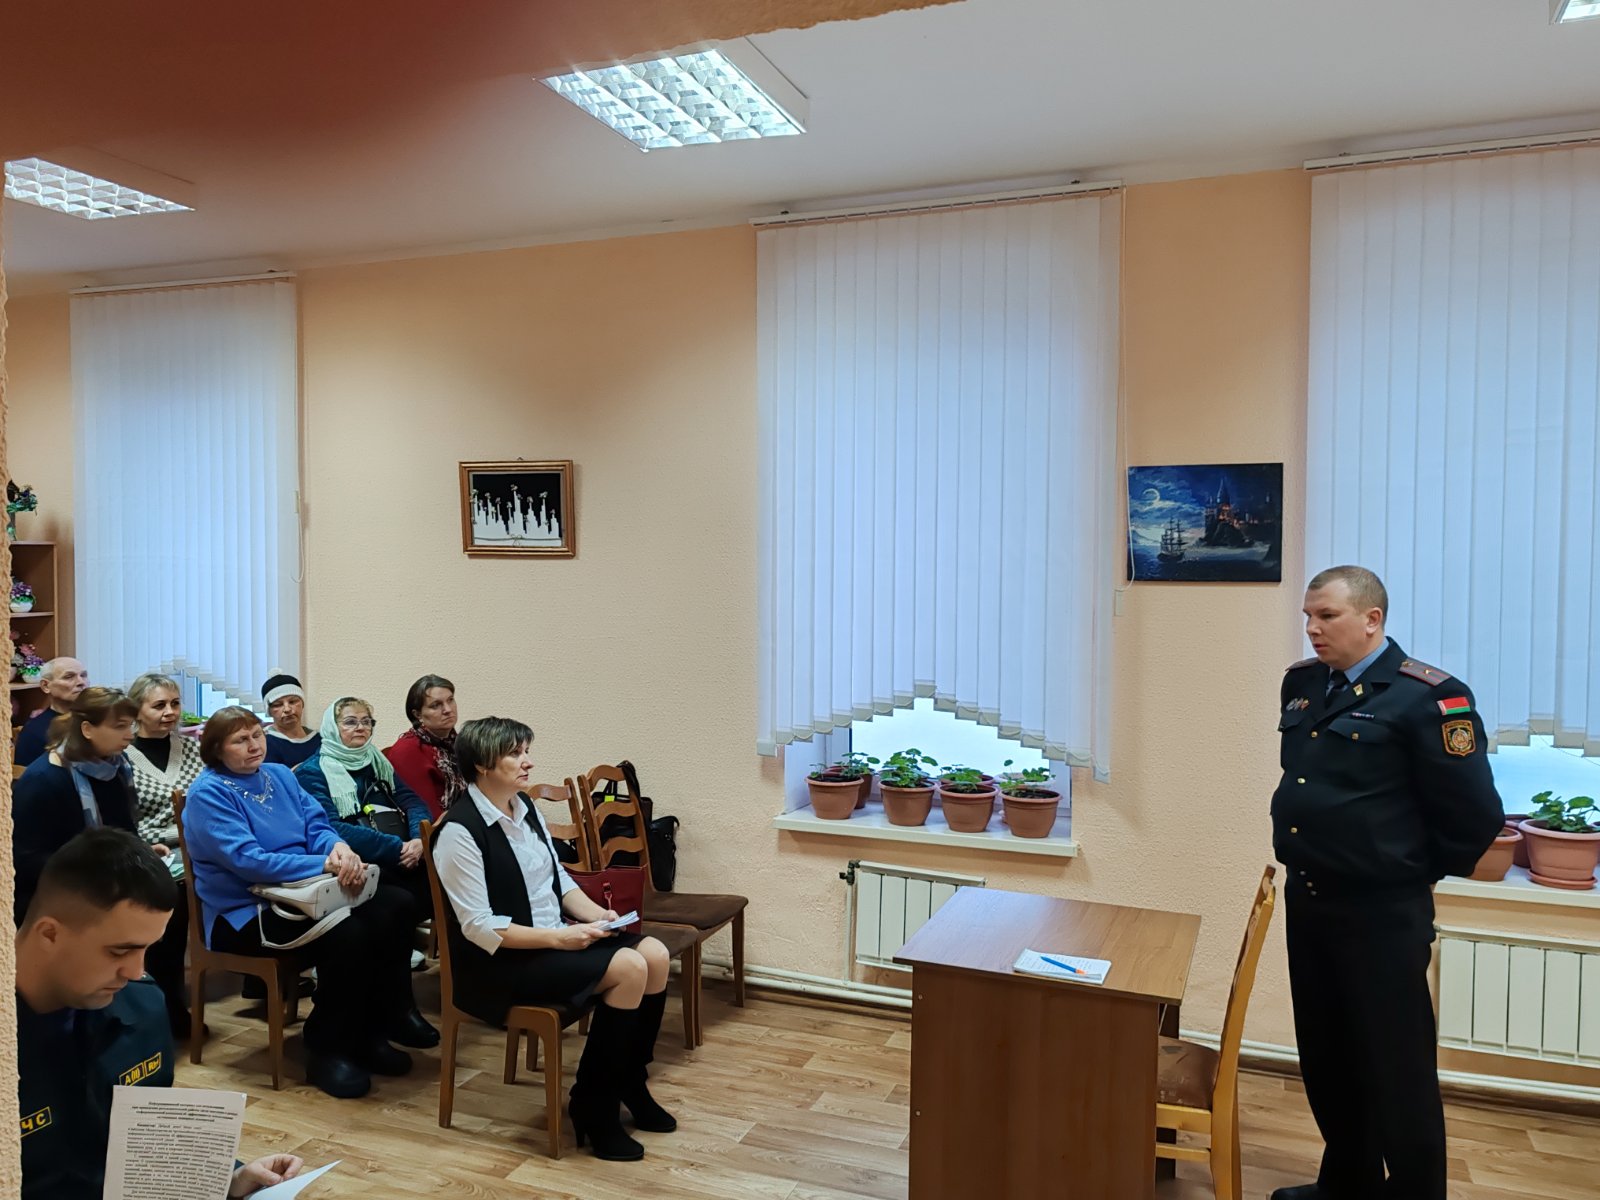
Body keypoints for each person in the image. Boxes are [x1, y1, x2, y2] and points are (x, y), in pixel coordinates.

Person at [1270, 565, 1503, 1200]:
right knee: (1327, 1056)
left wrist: (1405, 870)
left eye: (1328, 616)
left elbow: (1475, 815)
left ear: (1372, 619)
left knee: (1396, 1069)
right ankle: (1347, 1183)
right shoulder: (1302, 684)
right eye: (1308, 617)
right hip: (1310, 900)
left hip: (1380, 912)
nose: (1313, 628)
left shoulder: (1429, 697)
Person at [433, 716, 676, 1162]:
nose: (528, 762)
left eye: (526, 751)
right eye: (515, 754)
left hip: (551, 940)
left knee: (656, 955)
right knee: (629, 968)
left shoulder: (525, 809)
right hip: (501, 963)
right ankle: (594, 1104)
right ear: (483, 764)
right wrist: (558, 939)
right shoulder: (458, 831)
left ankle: (630, 1082)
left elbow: (558, 880)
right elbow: (479, 927)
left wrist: (597, 915)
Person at [16, 827, 302, 1200]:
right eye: (119, 951)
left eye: (148, 949)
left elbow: (142, 1145)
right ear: (50, 935)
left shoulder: (143, 1007)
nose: (137, 971)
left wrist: (227, 1178)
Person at [181, 706, 438, 1100]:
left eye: (257, 735)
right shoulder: (208, 794)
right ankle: (327, 1047)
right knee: (350, 932)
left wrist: (337, 848)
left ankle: (371, 1029)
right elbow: (248, 861)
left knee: (396, 905)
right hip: (247, 911)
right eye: (240, 740)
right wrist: (323, 863)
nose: (254, 745)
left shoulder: (280, 775)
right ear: (216, 749)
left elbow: (317, 824)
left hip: (307, 890)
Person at [11, 687, 193, 1036]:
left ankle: (161, 1009)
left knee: (169, 902)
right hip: (53, 895)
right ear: (88, 729)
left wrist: (141, 850)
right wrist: (99, 868)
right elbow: (26, 860)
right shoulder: (44, 780)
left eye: (131, 725)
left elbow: (122, 829)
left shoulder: (116, 767)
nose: (130, 735)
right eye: (121, 726)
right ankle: (98, 1023)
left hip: (103, 880)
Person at [295, 698, 431, 924]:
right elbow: (331, 827)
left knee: (446, 877)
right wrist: (397, 848)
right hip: (356, 860)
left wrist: (419, 839)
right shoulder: (313, 771)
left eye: (366, 721)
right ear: (332, 727)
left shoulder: (376, 760)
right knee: (406, 900)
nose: (360, 727)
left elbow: (412, 801)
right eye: (350, 722)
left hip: (402, 852)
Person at [125, 672, 205, 850]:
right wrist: (178, 834)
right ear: (136, 711)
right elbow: (124, 829)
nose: (170, 712)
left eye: (175, 704)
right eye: (159, 706)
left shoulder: (195, 748)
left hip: (202, 844)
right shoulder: (122, 759)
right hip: (152, 851)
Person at [384, 674, 463, 819]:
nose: (447, 709)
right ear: (418, 715)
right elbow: (426, 816)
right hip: (440, 827)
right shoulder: (407, 751)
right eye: (436, 705)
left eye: (450, 700)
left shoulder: (458, 742)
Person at [14, 656, 89, 767]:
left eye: (83, 675)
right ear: (46, 686)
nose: (81, 682)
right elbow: (26, 775)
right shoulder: (35, 731)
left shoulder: (98, 718)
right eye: (69, 677)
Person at [260, 669, 320, 769]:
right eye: (278, 705)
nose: (287, 709)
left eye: (293, 702)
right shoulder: (264, 742)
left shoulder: (319, 739)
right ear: (269, 711)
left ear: (302, 703)